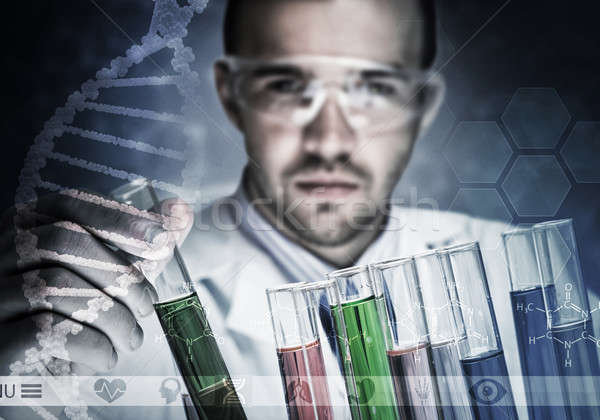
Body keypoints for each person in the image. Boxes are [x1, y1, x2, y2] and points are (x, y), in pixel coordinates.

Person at [0, 0, 547, 418]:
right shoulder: (96, 302)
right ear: (233, 95)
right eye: (287, 85)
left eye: (374, 87)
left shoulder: (528, 284)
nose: (330, 141)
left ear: (422, 105)